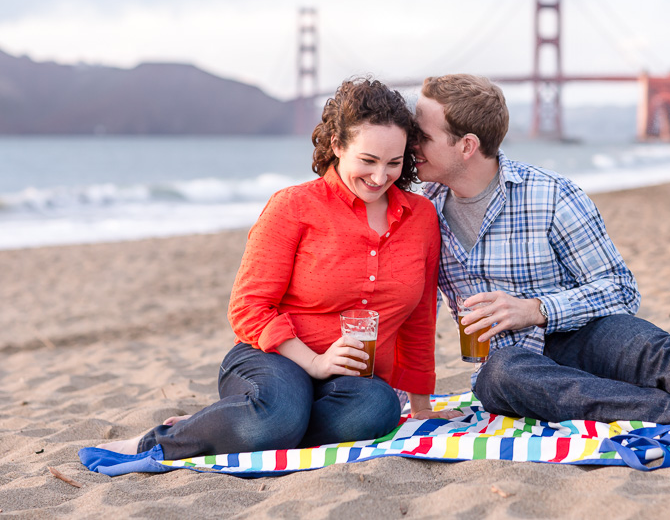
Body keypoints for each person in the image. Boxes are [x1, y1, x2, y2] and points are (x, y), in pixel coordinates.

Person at [91, 78, 460, 461]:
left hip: (350, 382)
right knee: (278, 414)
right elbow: (248, 309)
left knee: (377, 410)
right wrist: (315, 362)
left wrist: (421, 408)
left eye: (394, 163)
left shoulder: (421, 218)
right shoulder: (293, 206)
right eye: (367, 160)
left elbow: (419, 318)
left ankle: (233, 424)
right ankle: (164, 439)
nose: (380, 177)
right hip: (271, 360)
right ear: (337, 145)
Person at [413, 74, 670, 441]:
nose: (412, 144)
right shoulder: (420, 212)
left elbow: (621, 290)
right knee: (501, 376)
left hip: (582, 333)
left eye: (423, 136)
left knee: (648, 350)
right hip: (512, 362)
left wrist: (536, 310)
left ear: (466, 146)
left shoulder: (551, 195)